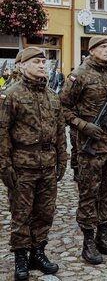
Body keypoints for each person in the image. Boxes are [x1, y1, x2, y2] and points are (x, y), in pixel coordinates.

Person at [61, 36, 107, 264]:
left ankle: (103, 236)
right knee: (89, 194)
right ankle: (88, 241)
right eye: (103, 47)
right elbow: (63, 108)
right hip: (91, 148)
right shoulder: (79, 75)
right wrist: (84, 126)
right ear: (91, 50)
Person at [0, 47, 67, 280]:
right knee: (21, 214)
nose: (42, 65)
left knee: (45, 212)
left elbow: (60, 131)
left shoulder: (52, 95)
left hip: (48, 165)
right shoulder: (12, 95)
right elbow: (2, 133)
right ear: (22, 66)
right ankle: (20, 257)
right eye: (37, 61)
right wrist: (5, 167)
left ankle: (38, 253)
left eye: (44, 62)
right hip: (22, 166)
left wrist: (62, 158)